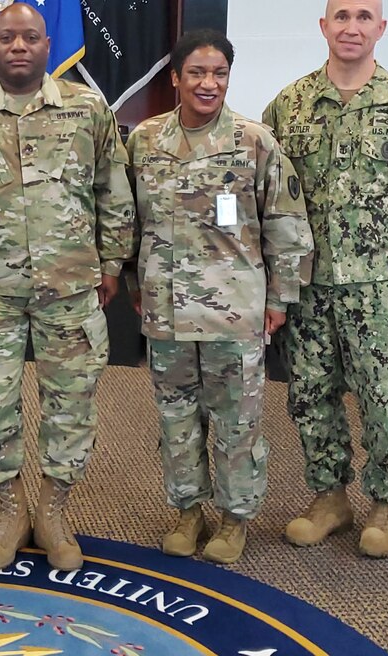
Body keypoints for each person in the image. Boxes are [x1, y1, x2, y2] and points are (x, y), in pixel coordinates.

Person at [0, 3, 135, 571]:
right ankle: (9, 509)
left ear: (47, 45)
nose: (18, 46)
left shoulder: (86, 109)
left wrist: (111, 265)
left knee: (71, 404)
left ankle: (54, 510)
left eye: (30, 37)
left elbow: (113, 189)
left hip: (72, 287)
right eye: (7, 36)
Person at [263, 0, 388, 558]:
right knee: (310, 394)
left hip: (380, 285)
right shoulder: (289, 105)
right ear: (323, 27)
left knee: (381, 396)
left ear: (381, 29)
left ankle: (386, 502)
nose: (352, 26)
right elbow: (271, 187)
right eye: (341, 16)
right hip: (306, 282)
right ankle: (329, 497)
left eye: (364, 17)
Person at [126, 30, 313, 564]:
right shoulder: (145, 141)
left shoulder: (254, 141)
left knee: (238, 419)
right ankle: (188, 511)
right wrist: (138, 286)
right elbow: (129, 221)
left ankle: (235, 518)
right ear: (176, 79)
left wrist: (280, 298)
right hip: (166, 310)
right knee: (176, 416)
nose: (209, 84)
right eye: (198, 73)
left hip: (235, 310)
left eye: (220, 74)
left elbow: (285, 222)